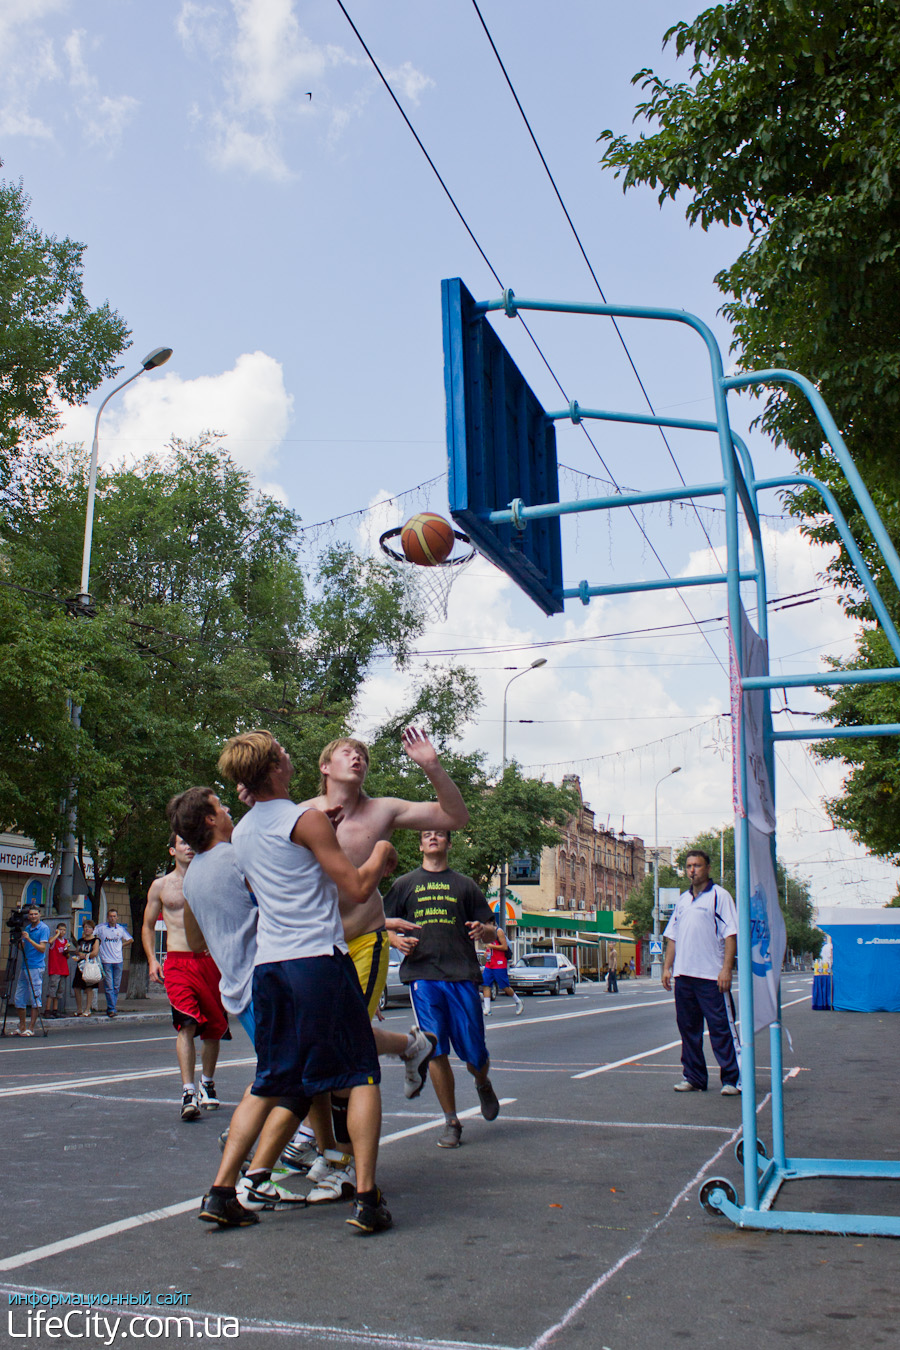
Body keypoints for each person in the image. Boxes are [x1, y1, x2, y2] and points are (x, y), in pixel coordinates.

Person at [200, 730, 397, 1234]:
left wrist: (317, 830)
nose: (291, 758)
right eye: (284, 755)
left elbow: (282, 858)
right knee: (361, 1074)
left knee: (271, 1080)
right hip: (316, 961)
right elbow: (354, 888)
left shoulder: (242, 832)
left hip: (271, 969)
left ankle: (223, 1192)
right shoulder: (305, 819)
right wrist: (381, 855)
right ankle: (369, 1199)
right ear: (273, 770)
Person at [171, 784, 309, 1213]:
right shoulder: (238, 856)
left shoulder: (192, 877)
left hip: (237, 986)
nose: (228, 808)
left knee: (292, 1071)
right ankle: (245, 1175)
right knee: (285, 1079)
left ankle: (281, 1157)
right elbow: (280, 902)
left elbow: (194, 938)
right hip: (269, 980)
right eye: (220, 805)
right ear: (211, 820)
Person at [383, 829, 501, 1148]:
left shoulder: (465, 885)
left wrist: (484, 929)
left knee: (474, 1051)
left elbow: (493, 931)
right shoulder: (404, 884)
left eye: (439, 834)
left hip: (461, 974)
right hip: (422, 976)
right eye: (426, 835)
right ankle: (451, 1121)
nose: (433, 838)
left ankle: (482, 1081)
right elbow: (377, 923)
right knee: (434, 1049)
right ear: (420, 844)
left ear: (449, 843)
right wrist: (393, 939)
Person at [142, 833, 229, 1122]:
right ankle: (188, 1091)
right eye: (183, 842)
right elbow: (147, 925)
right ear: (172, 850)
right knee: (187, 1024)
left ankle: (207, 1082)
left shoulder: (212, 881)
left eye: (193, 841)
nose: (189, 846)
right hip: (178, 963)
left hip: (210, 961)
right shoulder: (161, 885)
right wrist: (153, 959)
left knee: (215, 1029)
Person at [662, 849, 741, 1095]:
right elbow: (672, 937)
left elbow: (730, 934)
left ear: (707, 868)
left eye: (697, 865)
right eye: (688, 866)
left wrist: (726, 969)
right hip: (684, 976)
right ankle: (694, 1077)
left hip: (711, 977)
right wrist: (667, 968)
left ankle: (733, 1079)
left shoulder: (720, 896)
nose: (692, 870)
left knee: (721, 1028)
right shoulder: (684, 900)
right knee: (688, 1029)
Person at [12, 905, 49, 1035]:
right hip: (25, 965)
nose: (33, 916)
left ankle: (31, 1028)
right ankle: (22, 1025)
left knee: (35, 996)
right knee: (19, 996)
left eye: (35, 914)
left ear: (39, 915)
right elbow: (23, 948)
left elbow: (42, 948)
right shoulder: (28, 928)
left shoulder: (43, 928)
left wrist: (29, 939)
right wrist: (20, 940)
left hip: (36, 966)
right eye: (31, 914)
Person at [92, 908, 133, 1019]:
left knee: (116, 986)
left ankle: (111, 1007)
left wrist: (121, 946)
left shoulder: (120, 929)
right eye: (110, 916)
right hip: (106, 961)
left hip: (118, 960)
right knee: (109, 985)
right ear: (107, 917)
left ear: (117, 917)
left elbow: (130, 939)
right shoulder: (101, 928)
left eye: (114, 916)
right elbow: (91, 934)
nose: (112, 918)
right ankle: (111, 1008)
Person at [480, 928, 523, 1015]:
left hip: (499, 963)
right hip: (490, 963)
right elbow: (489, 947)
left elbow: (504, 947)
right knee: (486, 984)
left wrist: (492, 947)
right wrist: (486, 953)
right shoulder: (485, 932)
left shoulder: (498, 931)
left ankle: (518, 1001)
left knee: (504, 986)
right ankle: (487, 1008)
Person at [72, 919, 100, 1017]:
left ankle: (87, 1009)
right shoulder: (81, 941)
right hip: (80, 966)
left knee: (89, 988)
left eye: (89, 927)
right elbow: (77, 951)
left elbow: (95, 953)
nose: (87, 929)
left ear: (93, 929)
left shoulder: (95, 940)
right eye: (85, 927)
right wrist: (79, 954)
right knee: (76, 987)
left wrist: (85, 955)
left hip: (90, 966)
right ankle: (79, 1009)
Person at [44, 923, 72, 1018]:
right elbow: (50, 941)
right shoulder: (54, 940)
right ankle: (47, 1010)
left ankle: (55, 1009)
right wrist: (56, 934)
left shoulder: (65, 941)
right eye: (60, 930)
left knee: (59, 990)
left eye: (64, 930)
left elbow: (67, 956)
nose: (62, 932)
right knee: (52, 989)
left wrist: (67, 952)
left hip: (63, 968)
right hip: (55, 968)